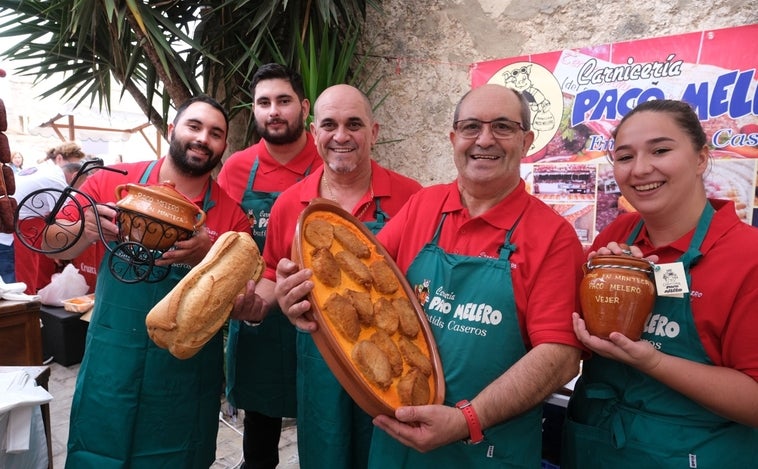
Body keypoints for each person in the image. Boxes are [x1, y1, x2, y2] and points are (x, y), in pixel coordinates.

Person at [281, 84, 585, 467]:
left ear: (526, 141)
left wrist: (466, 420)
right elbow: (355, 281)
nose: (485, 140)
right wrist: (302, 298)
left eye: (503, 127)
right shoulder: (423, 206)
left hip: (487, 450)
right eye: (471, 127)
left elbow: (560, 357)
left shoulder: (553, 236)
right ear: (454, 138)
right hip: (399, 444)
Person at [42, 96, 253, 468]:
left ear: (223, 145)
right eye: (194, 126)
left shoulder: (232, 218)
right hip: (112, 359)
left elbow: (239, 300)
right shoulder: (112, 182)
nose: (203, 138)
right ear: (172, 130)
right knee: (97, 454)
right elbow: (50, 246)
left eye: (216, 133)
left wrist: (208, 255)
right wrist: (83, 229)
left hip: (184, 374)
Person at [563, 99, 758, 467]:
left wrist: (651, 361)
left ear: (701, 157)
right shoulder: (618, 235)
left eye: (661, 150)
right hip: (594, 444)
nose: (640, 169)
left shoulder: (748, 256)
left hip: (693, 452)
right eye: (624, 156)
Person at [255, 84, 422, 469]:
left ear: (374, 132)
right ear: (315, 133)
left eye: (354, 124)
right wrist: (271, 298)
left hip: (395, 369)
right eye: (329, 125)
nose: (341, 136)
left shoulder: (413, 198)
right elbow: (270, 271)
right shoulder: (289, 204)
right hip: (320, 367)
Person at [217, 63, 322, 469]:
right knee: (259, 434)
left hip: (314, 315)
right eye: (264, 102)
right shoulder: (237, 167)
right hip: (256, 312)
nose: (274, 111)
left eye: (284, 100)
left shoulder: (327, 163)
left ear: (304, 106)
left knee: (321, 420)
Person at [11, 142, 88, 294]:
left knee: (30, 266)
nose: (79, 189)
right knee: (25, 271)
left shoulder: (49, 169)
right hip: (20, 222)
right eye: (81, 184)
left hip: (21, 217)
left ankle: (34, 295)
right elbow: (62, 220)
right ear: (74, 176)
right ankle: (28, 307)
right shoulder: (58, 182)